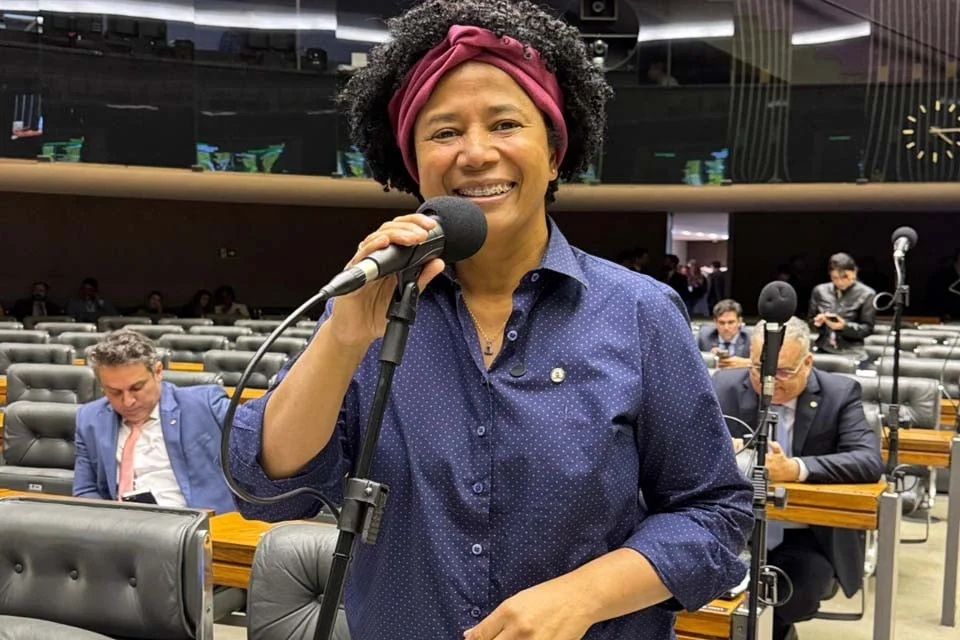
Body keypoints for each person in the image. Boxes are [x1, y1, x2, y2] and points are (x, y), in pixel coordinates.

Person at [228, 2, 752, 639]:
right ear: (413, 163)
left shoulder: (640, 313)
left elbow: (714, 513)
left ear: (554, 153)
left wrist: (583, 597)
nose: (475, 154)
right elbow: (266, 487)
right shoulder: (370, 307)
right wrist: (342, 337)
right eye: (444, 132)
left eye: (505, 123)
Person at [712, 318, 883, 640]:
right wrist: (721, 449)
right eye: (759, 369)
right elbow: (685, 449)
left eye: (783, 373)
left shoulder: (839, 393)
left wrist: (795, 469)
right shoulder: (725, 386)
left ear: (807, 362)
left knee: (791, 597)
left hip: (805, 536)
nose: (769, 382)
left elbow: (868, 461)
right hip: (735, 529)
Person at [73, 330, 236, 514]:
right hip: (124, 524)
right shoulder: (89, 418)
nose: (128, 401)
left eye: (136, 388)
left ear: (158, 372)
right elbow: (85, 490)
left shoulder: (206, 404)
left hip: (202, 523)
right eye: (114, 392)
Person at [808, 253, 876, 353]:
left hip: (852, 350)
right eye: (835, 278)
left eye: (845, 277)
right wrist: (818, 323)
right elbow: (810, 322)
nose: (840, 282)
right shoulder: (819, 291)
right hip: (823, 347)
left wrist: (844, 326)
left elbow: (868, 329)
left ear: (855, 271)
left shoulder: (867, 294)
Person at [698, 299, 751, 368]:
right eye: (722, 323)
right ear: (715, 322)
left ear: (739, 322)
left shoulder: (750, 338)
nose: (726, 328)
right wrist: (710, 358)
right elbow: (693, 361)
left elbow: (759, 364)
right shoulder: (704, 337)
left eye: (731, 322)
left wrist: (744, 363)